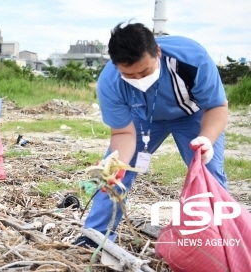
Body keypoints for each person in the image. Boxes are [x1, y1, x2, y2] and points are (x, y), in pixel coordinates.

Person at [74, 22, 228, 248]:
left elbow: (217, 107)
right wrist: (118, 164)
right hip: (143, 120)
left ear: (157, 52)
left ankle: (220, 238)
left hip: (193, 116)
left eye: (144, 72)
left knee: (208, 171)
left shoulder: (192, 58)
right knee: (114, 172)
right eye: (129, 74)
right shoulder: (110, 82)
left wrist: (207, 139)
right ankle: (95, 236)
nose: (138, 79)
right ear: (116, 65)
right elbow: (123, 132)